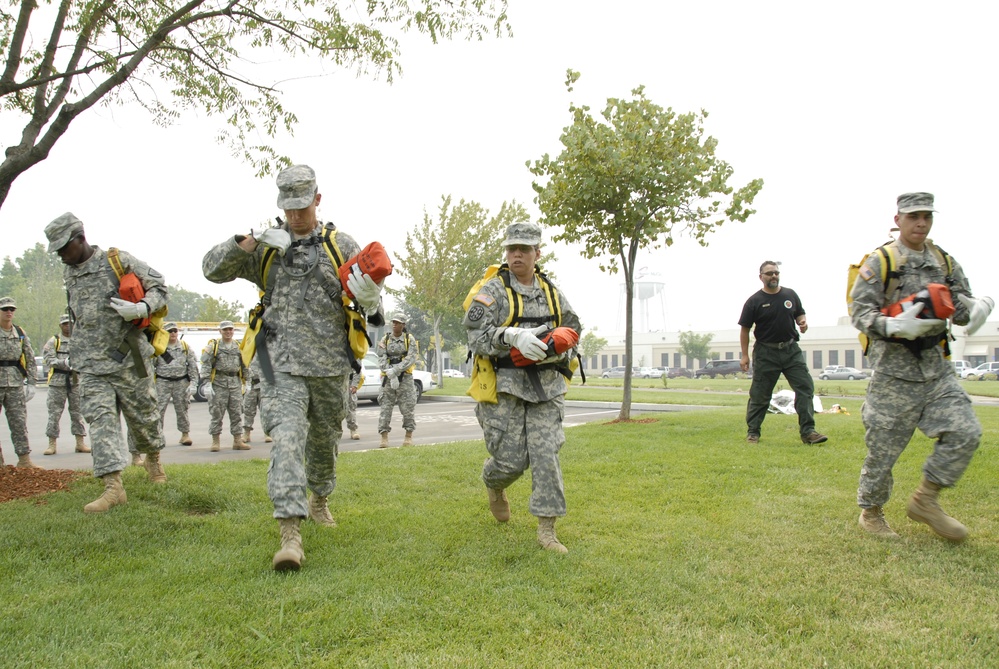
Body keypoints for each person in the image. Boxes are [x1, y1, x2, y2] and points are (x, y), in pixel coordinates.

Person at [202, 164, 385, 571]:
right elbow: (211, 270)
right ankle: (289, 533)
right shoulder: (269, 246)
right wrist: (248, 242)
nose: (296, 216)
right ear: (280, 205)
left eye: (303, 206)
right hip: (277, 364)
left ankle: (319, 498)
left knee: (322, 446)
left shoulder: (341, 245)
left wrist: (371, 300)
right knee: (286, 439)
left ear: (317, 200)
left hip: (331, 365)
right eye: (289, 208)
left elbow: (374, 316)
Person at [851, 192, 993, 541]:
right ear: (898, 219)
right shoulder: (881, 261)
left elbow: (959, 308)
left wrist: (978, 309)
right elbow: (860, 312)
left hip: (936, 370)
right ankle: (871, 512)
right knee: (883, 451)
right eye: (914, 216)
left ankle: (926, 500)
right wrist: (892, 326)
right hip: (893, 375)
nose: (921, 223)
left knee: (966, 431)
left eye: (927, 216)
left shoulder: (943, 261)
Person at [463, 221, 581, 553]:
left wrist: (559, 342)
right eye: (512, 249)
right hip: (505, 387)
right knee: (510, 461)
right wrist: (510, 336)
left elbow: (572, 325)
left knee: (546, 455)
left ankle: (547, 530)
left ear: (536, 253)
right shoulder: (493, 291)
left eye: (524, 249)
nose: (517, 254)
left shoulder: (551, 292)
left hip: (547, 387)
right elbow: (475, 335)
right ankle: (494, 483)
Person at [44, 212, 169, 512]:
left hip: (128, 358)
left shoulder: (118, 261)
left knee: (144, 419)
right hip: (89, 363)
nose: (61, 255)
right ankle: (113, 487)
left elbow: (160, 289)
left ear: (81, 239)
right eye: (57, 250)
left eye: (64, 248)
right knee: (100, 422)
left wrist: (141, 307)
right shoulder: (69, 273)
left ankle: (153, 461)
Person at [738, 261, 828, 446]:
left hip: (790, 350)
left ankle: (808, 432)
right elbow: (745, 330)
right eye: (769, 273)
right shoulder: (754, 301)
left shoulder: (790, 295)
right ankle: (753, 432)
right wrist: (745, 355)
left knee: (805, 388)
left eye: (776, 273)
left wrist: (803, 322)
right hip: (766, 353)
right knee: (760, 394)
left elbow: (800, 314)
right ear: (761, 276)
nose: (773, 276)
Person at [0, 296, 39, 468]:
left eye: (12, 309)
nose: (9, 312)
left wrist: (32, 382)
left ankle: (24, 460)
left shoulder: (20, 333)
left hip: (15, 383)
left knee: (19, 422)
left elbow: (30, 358)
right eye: (5, 309)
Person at [42, 314, 89, 455]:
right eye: (64, 324)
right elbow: (48, 359)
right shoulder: (54, 341)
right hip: (57, 382)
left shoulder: (79, 340)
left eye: (70, 323)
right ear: (60, 326)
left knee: (78, 414)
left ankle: (80, 443)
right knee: (54, 414)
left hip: (76, 382)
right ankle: (52, 444)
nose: (67, 326)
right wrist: (63, 363)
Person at [200, 320, 248, 452]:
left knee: (237, 413)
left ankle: (237, 441)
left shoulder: (238, 346)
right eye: (225, 329)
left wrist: (247, 381)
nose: (228, 332)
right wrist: (207, 383)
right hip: (219, 384)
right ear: (220, 331)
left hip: (235, 384)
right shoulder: (213, 346)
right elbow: (206, 364)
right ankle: (215, 441)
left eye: (230, 329)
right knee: (217, 413)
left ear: (233, 331)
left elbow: (244, 365)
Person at [376, 314, 419, 448]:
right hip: (388, 378)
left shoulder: (409, 339)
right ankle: (384, 437)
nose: (394, 324)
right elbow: (381, 356)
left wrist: (396, 370)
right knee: (385, 408)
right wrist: (389, 371)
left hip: (405, 378)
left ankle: (408, 436)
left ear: (403, 325)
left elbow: (411, 358)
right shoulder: (385, 339)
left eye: (398, 323)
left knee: (408, 407)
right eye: (393, 322)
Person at [155, 322, 199, 446]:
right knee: (159, 410)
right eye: (170, 331)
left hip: (181, 382)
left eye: (175, 331)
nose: (173, 333)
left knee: (182, 409)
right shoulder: (159, 348)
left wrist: (194, 383)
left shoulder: (185, 347)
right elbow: (151, 366)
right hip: (163, 382)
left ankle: (185, 435)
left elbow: (192, 366)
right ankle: (157, 436)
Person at [242, 357, 272, 444]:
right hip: (250, 385)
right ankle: (246, 434)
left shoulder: (263, 349)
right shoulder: (247, 349)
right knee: (248, 410)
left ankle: (267, 433)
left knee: (265, 410)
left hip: (263, 384)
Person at [345, 369, 361, 441]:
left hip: (349, 382)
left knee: (351, 407)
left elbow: (357, 368)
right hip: (336, 381)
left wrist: (355, 385)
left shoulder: (352, 357)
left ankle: (353, 429)